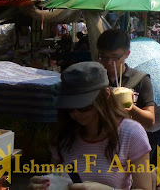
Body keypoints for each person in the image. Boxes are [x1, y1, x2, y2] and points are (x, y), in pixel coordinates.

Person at [28, 62, 152, 190]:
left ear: (106, 95)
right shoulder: (63, 135)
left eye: (83, 106)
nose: (75, 113)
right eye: (69, 107)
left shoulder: (131, 134)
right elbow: (57, 176)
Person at [97, 29, 156, 130]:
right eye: (104, 57)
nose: (109, 62)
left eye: (115, 57)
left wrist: (131, 108)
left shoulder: (141, 79)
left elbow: (150, 121)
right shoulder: (94, 79)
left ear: (127, 54)